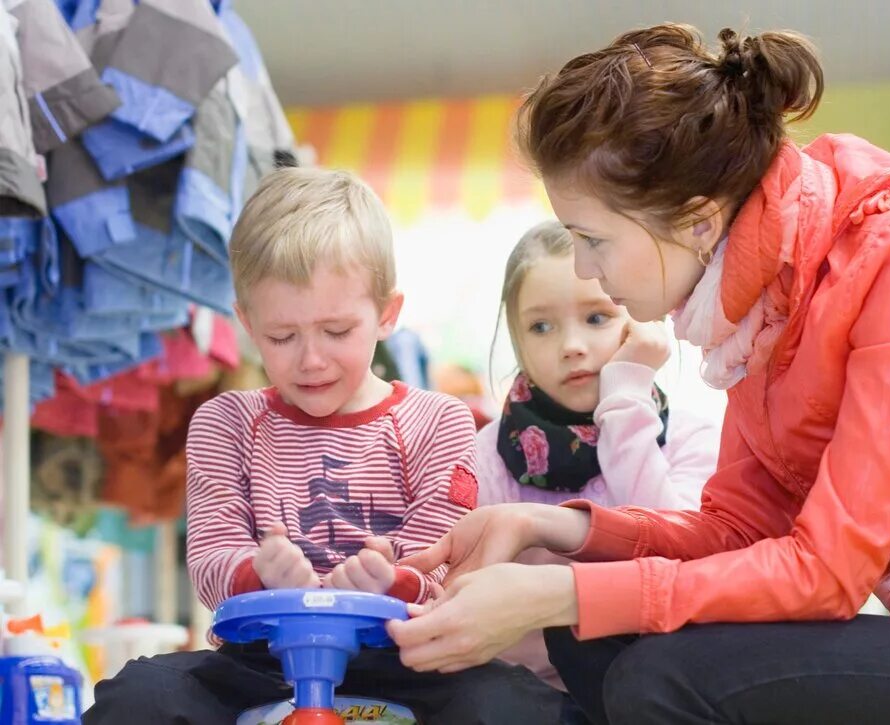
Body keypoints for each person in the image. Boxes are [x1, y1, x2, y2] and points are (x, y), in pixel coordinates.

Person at [386, 24, 890, 725]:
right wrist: (551, 529)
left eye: (592, 239)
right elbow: (734, 530)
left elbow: (829, 571)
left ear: (698, 219)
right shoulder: (760, 300)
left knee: (656, 672)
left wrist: (561, 591)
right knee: (603, 642)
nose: (589, 274)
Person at [84, 168, 563, 724]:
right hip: (259, 663)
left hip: (409, 658)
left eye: (337, 332)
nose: (310, 360)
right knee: (138, 696)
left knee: (519, 707)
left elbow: (449, 565)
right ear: (246, 323)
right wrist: (259, 573)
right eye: (282, 337)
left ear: (386, 313)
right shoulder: (225, 422)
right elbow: (211, 558)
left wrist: (393, 579)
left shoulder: (439, 420)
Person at [476, 220, 717, 688]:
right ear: (516, 339)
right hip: (515, 696)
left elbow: (677, 555)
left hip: (655, 692)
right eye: (541, 326)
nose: (571, 347)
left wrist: (626, 401)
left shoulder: (692, 441)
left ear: (639, 323)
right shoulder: (485, 456)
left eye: (596, 318)